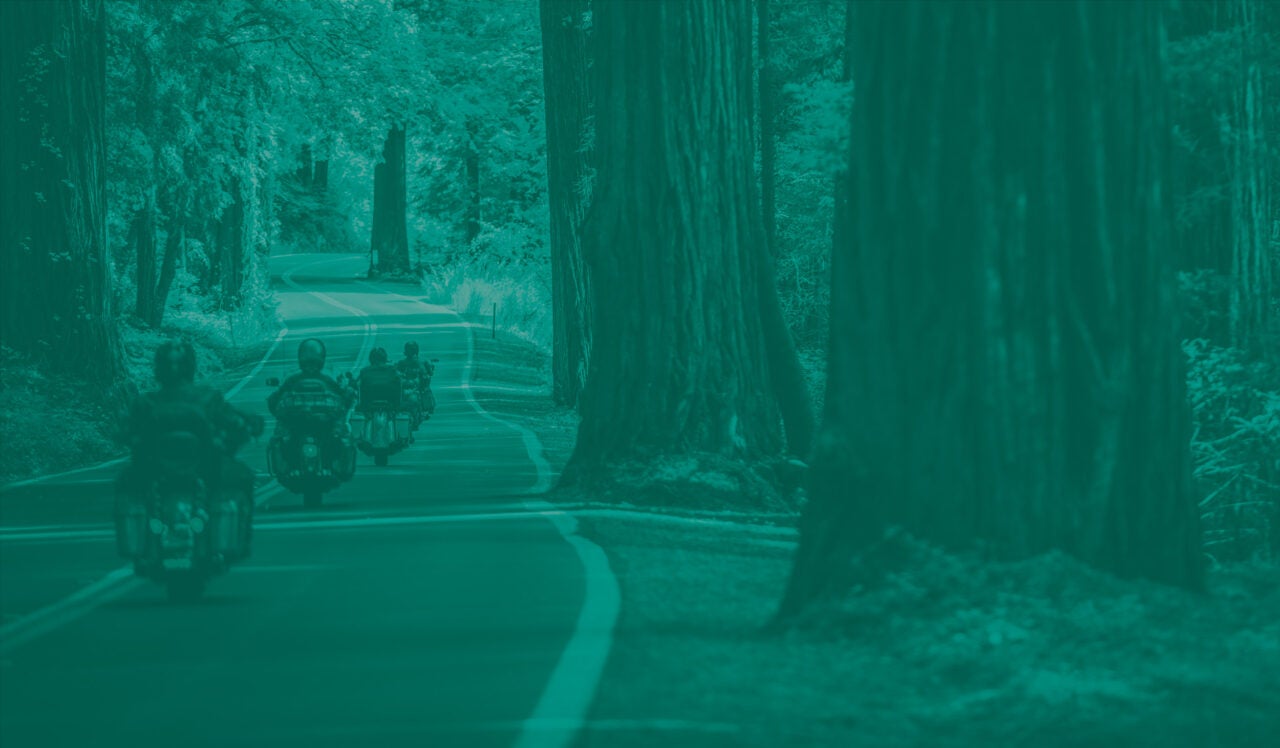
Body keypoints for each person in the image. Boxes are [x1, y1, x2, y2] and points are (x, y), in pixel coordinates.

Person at [117, 340, 263, 558]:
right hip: (205, 469)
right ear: (191, 367)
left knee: (124, 485)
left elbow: (123, 431)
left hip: (154, 471)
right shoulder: (207, 398)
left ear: (158, 369)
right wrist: (246, 428)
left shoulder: (146, 403)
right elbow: (236, 425)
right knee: (244, 477)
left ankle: (142, 545)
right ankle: (242, 541)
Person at [266, 338, 356, 479]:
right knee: (281, 437)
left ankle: (325, 465)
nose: (311, 366)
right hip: (308, 427)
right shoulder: (326, 380)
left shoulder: (294, 380)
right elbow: (345, 398)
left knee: (339, 435)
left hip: (309, 427)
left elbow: (274, 400)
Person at [394, 341, 436, 428]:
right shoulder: (422, 362)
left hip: (412, 389)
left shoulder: (402, 363)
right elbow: (429, 374)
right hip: (413, 388)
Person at [355, 346, 403, 412]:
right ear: (385, 358)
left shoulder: (364, 370)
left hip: (369, 399)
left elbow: (356, 382)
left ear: (371, 359)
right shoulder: (393, 370)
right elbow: (400, 380)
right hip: (390, 398)